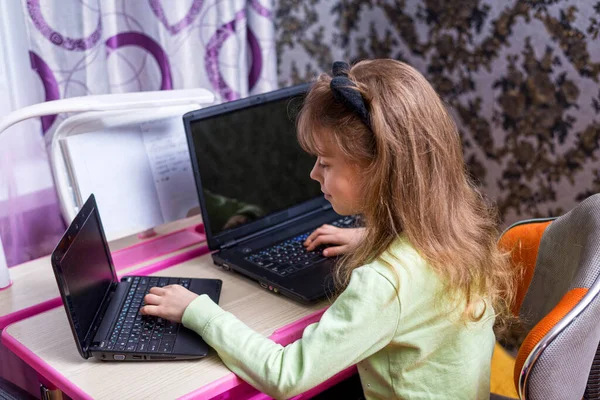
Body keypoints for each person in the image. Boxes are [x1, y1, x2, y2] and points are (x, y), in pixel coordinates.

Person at [140, 59, 516, 399]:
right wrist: (373, 238)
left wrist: (198, 312)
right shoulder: (457, 225)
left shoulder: (385, 283)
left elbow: (287, 376)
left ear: (379, 168)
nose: (314, 174)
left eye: (325, 162)